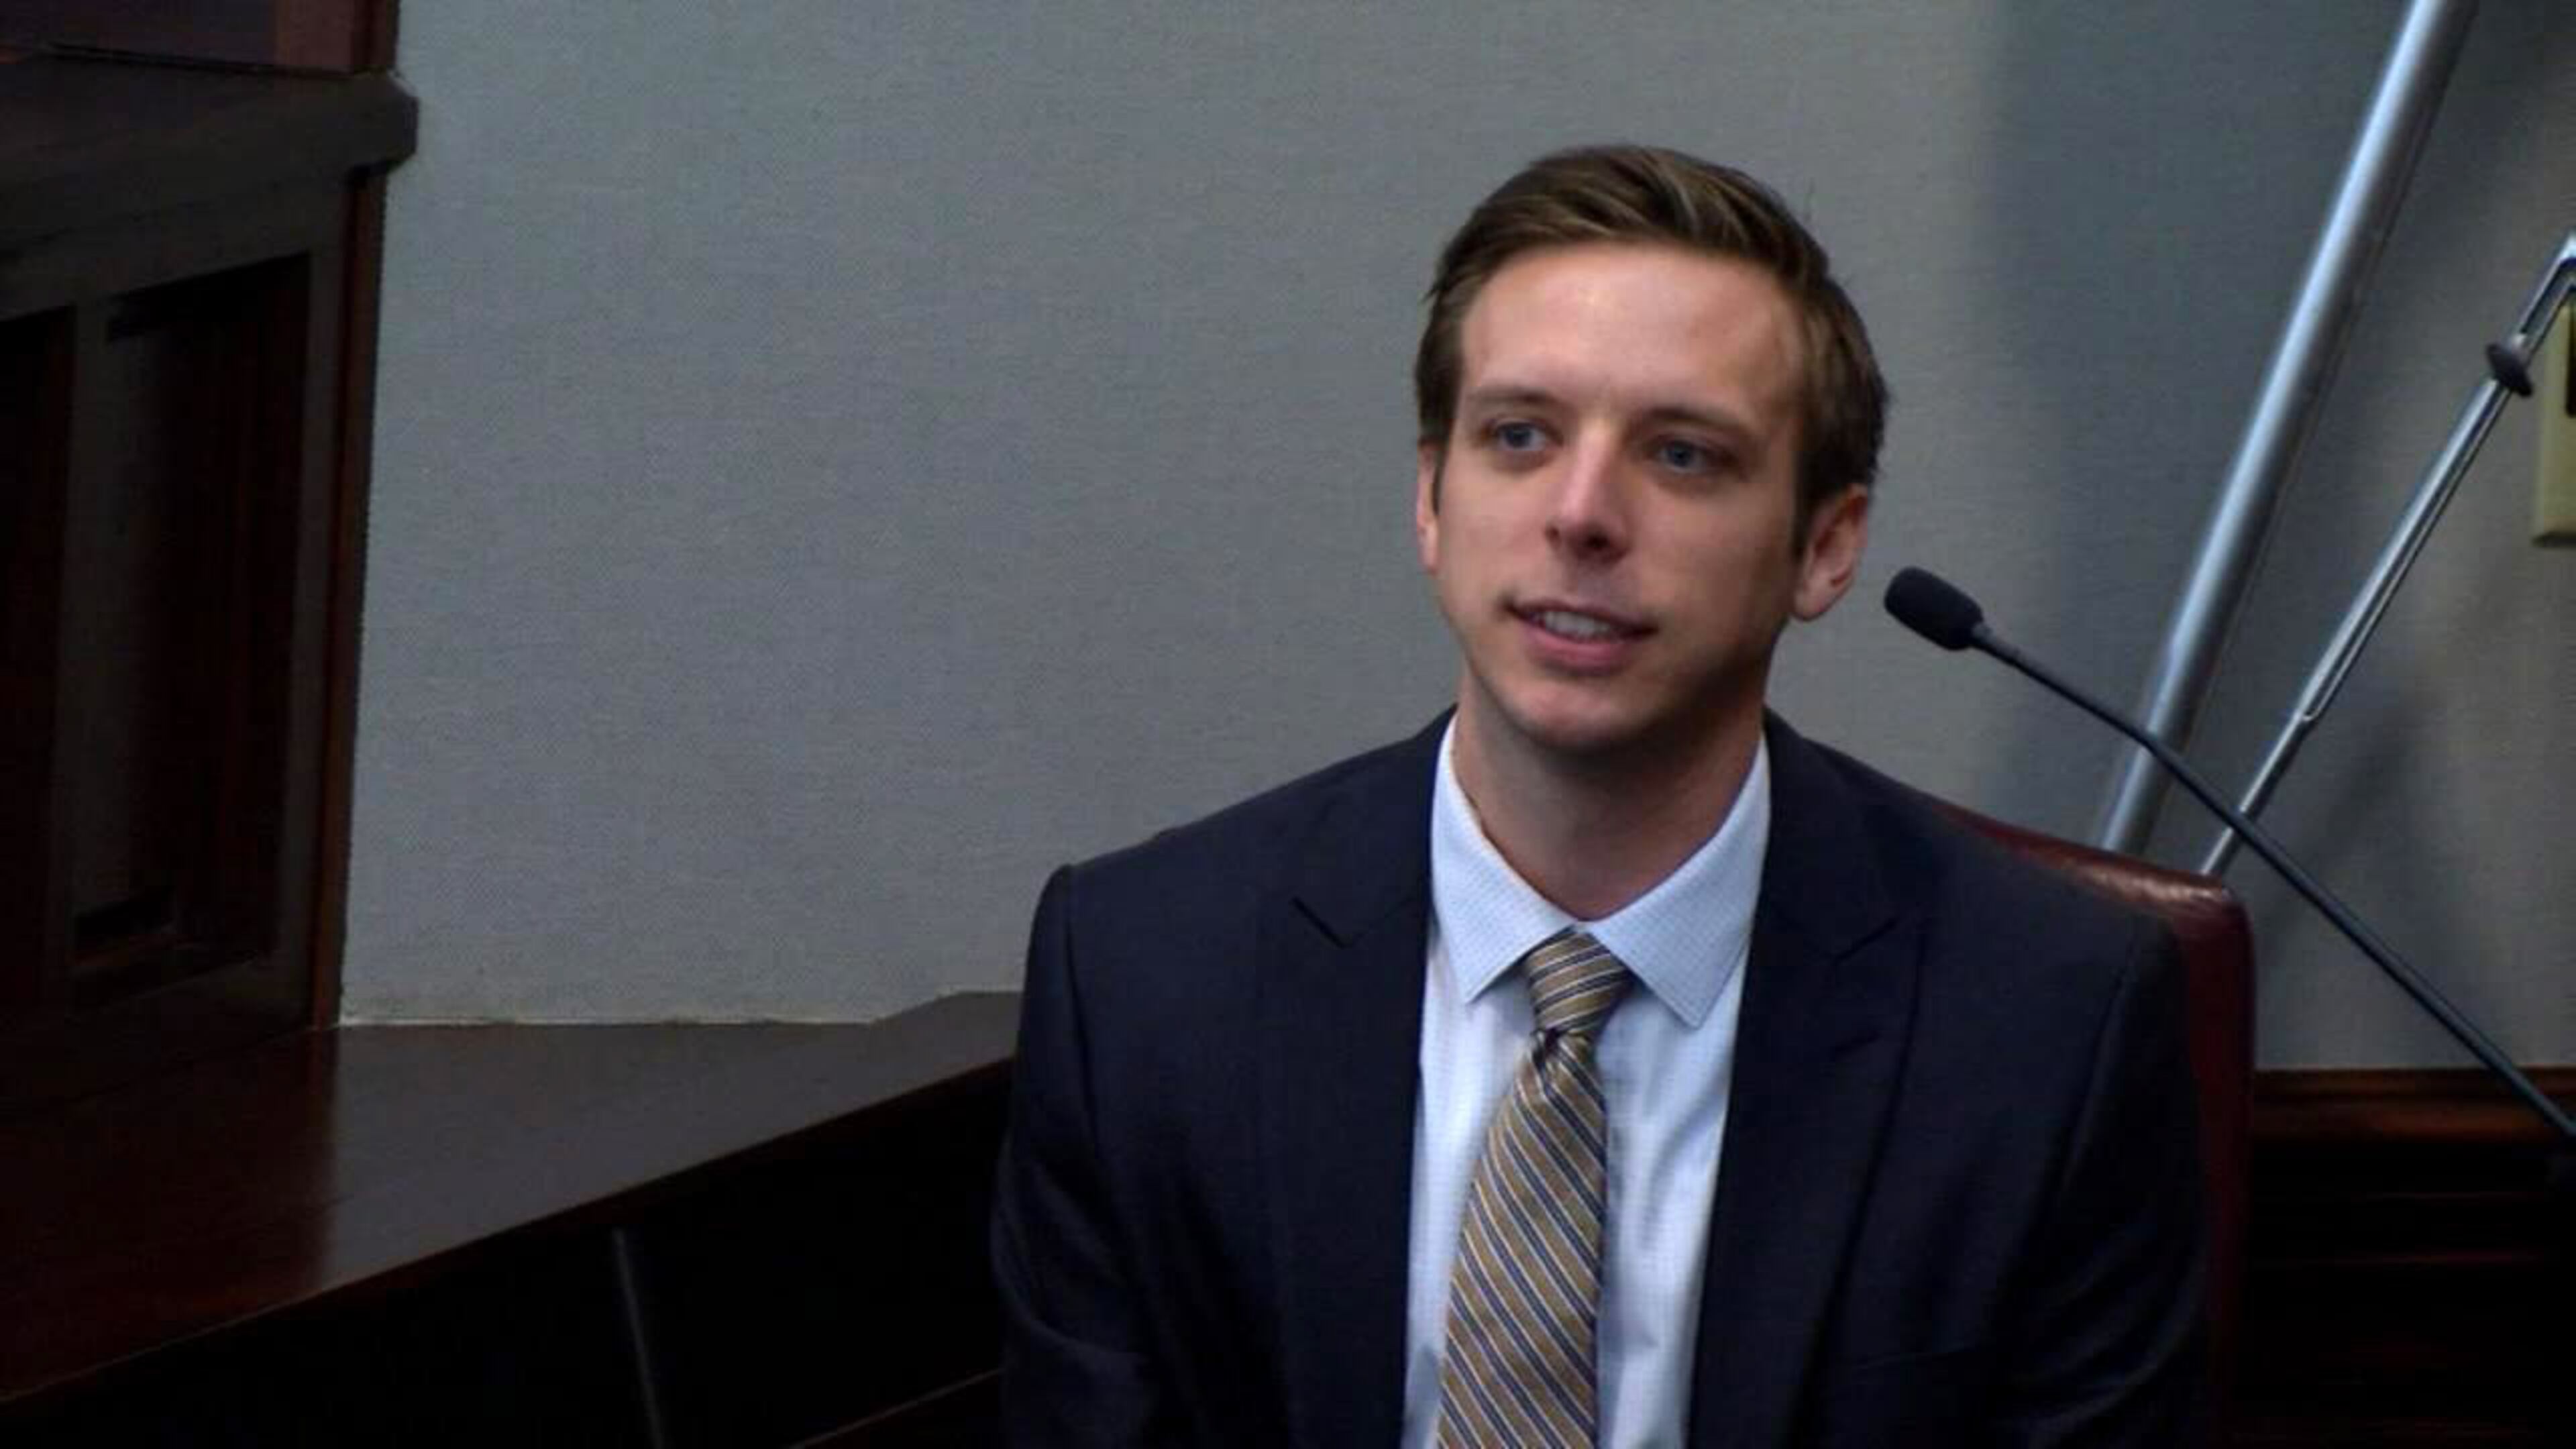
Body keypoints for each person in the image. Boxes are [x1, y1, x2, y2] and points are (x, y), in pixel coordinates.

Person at [991, 144, 2206, 1447]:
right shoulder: (1141, 975)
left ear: (1826, 546)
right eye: (1520, 436)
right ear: (1431, 500)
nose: (1581, 513)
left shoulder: (2046, 1019)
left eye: (1682, 457)